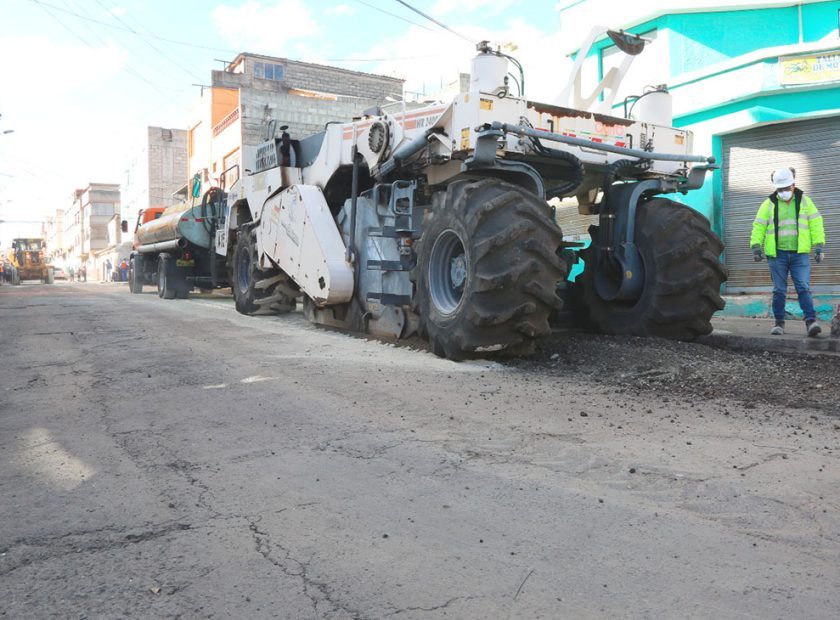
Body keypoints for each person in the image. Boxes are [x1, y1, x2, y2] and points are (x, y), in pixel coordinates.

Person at [750, 167, 825, 337]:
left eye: (786, 188)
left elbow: (816, 223)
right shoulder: (769, 204)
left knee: (803, 287)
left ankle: (811, 322)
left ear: (793, 184)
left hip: (800, 254)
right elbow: (759, 225)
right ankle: (779, 323)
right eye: (780, 189)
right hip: (777, 255)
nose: (783, 192)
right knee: (779, 290)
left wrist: (819, 245)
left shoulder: (805, 201)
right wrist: (755, 245)